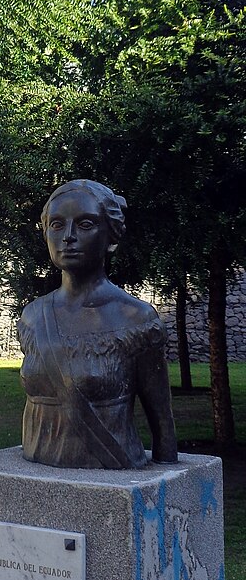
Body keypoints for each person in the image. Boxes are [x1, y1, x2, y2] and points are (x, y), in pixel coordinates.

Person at [17, 179, 177, 469]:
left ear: (110, 234)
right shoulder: (32, 316)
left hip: (110, 466)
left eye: (85, 224)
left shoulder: (136, 319)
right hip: (36, 464)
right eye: (56, 225)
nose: (68, 236)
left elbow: (161, 420)